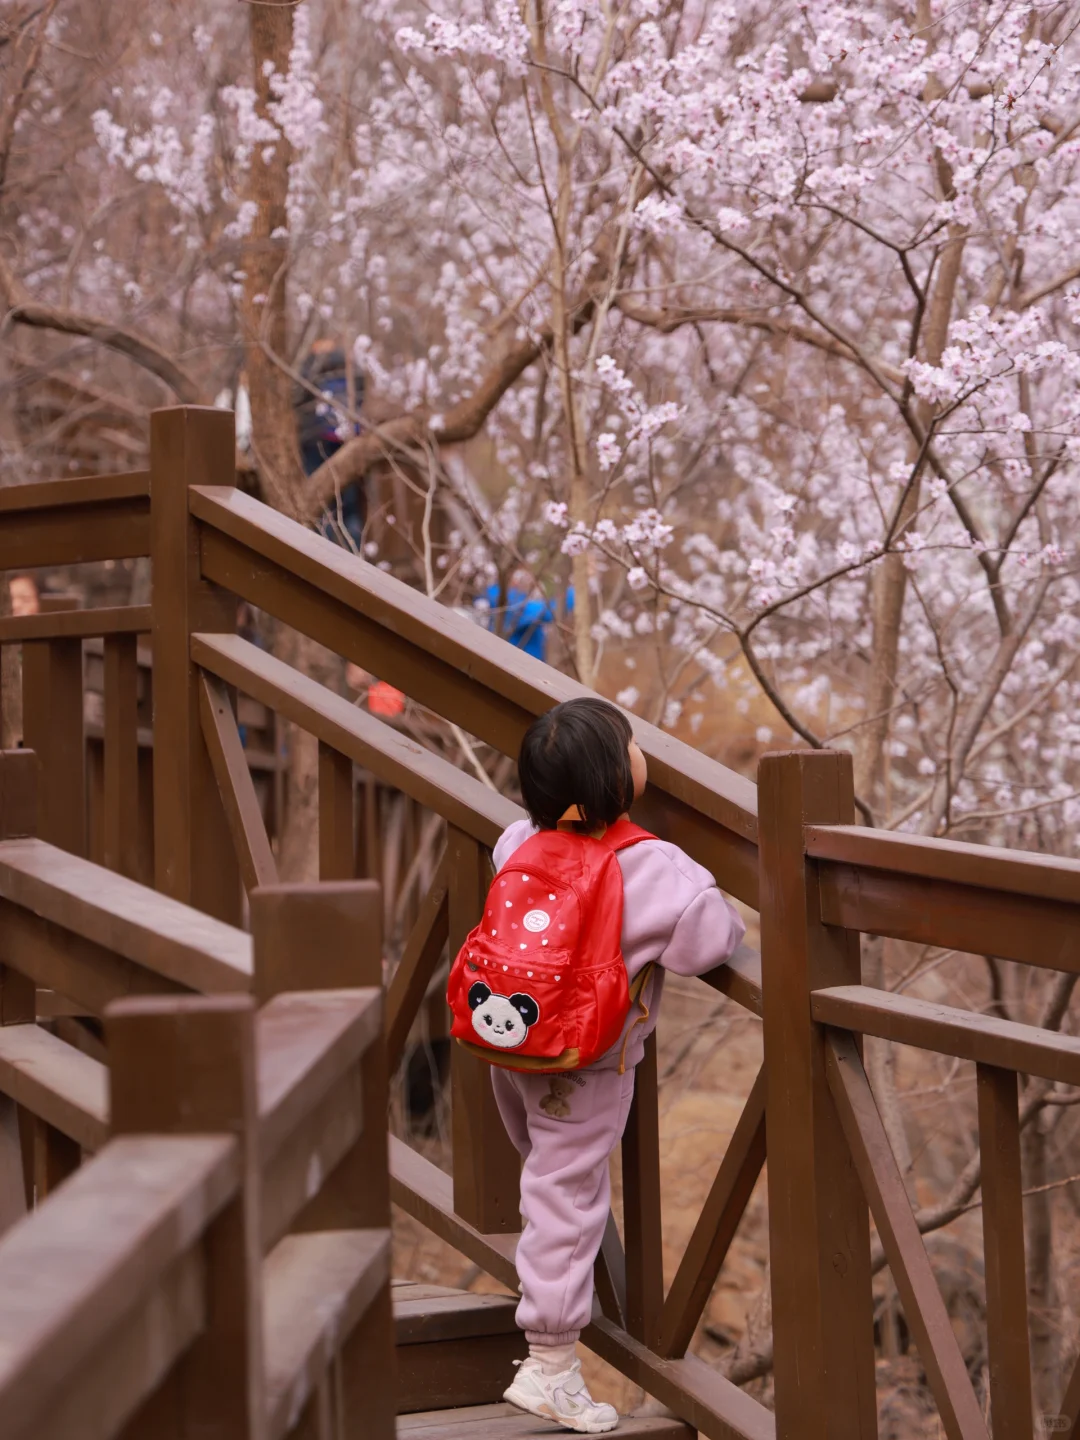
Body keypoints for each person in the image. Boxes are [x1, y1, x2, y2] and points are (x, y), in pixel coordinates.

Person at [489, 698, 745, 1433]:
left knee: (546, 1177)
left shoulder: (517, 840)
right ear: (619, 776)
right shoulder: (650, 867)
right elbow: (709, 940)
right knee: (566, 1200)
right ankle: (551, 1364)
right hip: (585, 1067)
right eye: (632, 745)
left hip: (509, 1045)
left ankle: (551, 1311)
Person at [293, 339, 366, 550]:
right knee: (348, 507)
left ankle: (320, 554)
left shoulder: (311, 368)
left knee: (319, 504)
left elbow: (296, 396)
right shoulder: (351, 368)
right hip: (346, 441)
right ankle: (354, 554)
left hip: (315, 441)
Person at [483, 581, 573, 664]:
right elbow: (551, 611)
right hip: (519, 665)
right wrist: (577, 588)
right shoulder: (509, 600)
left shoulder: (497, 596)